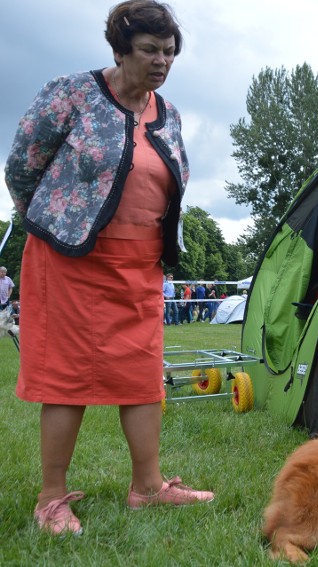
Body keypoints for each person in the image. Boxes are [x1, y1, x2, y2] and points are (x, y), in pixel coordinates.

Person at [4, 1, 213, 536]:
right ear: (120, 49)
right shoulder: (72, 93)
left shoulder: (168, 112)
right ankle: (51, 498)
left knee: (142, 378)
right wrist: (52, 223)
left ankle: (148, 487)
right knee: (66, 378)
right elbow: (22, 163)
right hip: (70, 261)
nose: (161, 61)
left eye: (168, 51)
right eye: (149, 50)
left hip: (139, 265)